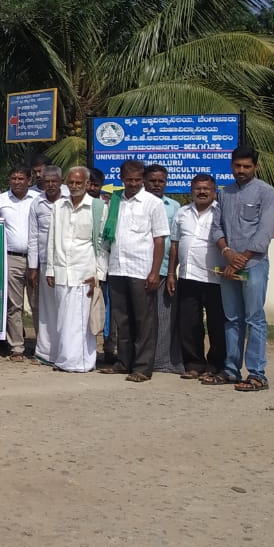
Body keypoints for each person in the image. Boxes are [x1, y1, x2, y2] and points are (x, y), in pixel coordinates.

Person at [203, 147, 274, 392]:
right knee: (232, 318)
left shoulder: (266, 192)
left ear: (255, 167)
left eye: (247, 166)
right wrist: (227, 252)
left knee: (254, 318)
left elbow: (265, 231)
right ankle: (231, 370)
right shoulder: (224, 193)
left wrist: (243, 258)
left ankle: (257, 374)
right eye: (238, 166)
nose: (241, 170)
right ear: (231, 165)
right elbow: (216, 228)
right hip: (228, 265)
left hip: (254, 265)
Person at [99, 159, 169, 383]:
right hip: (117, 268)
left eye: (137, 180)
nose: (133, 183)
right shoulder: (115, 201)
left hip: (142, 269)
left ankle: (142, 367)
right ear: (121, 179)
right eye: (129, 179)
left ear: (143, 179)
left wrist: (155, 272)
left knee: (144, 321)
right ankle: (123, 362)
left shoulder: (152, 203)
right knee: (122, 319)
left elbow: (159, 240)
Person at [43, 167, 106, 372]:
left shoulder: (97, 207)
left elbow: (102, 244)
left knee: (81, 319)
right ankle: (65, 359)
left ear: (87, 184)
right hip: (62, 270)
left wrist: (99, 274)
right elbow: (52, 239)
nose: (74, 186)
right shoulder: (59, 206)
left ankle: (81, 363)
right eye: (71, 182)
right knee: (63, 319)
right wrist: (50, 269)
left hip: (84, 271)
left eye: (79, 183)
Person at [168, 174, 226, 380]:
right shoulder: (182, 213)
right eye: (198, 188)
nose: (202, 192)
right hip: (188, 277)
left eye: (206, 189)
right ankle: (194, 364)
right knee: (189, 324)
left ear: (214, 191)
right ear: (191, 190)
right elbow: (174, 244)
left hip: (215, 279)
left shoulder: (221, 212)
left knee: (217, 325)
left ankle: (216, 365)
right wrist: (171, 273)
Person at [0, 166, 38, 361]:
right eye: (14, 178)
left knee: (38, 304)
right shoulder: (0, 200)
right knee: (14, 305)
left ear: (29, 180)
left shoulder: (38, 199)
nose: (17, 182)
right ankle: (17, 348)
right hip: (11, 257)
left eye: (21, 178)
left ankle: (42, 347)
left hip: (36, 259)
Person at [144, 164, 183, 374]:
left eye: (161, 181)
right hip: (140, 268)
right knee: (142, 318)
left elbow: (175, 241)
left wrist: (171, 273)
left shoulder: (174, 207)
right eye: (152, 181)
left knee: (165, 316)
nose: (157, 185)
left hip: (165, 268)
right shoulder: (135, 204)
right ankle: (140, 359)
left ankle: (162, 361)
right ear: (144, 181)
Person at [28, 166, 65, 364]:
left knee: (65, 307)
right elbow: (33, 236)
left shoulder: (69, 200)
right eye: (47, 181)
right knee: (46, 309)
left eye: (54, 181)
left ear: (61, 182)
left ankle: (65, 350)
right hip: (44, 262)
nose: (50, 185)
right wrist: (32, 267)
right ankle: (45, 352)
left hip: (66, 263)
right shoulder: (37, 202)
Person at [86, 166, 114, 363]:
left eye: (96, 185)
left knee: (105, 308)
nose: (91, 188)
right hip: (83, 266)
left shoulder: (108, 207)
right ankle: (86, 350)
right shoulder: (76, 205)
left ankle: (109, 348)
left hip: (104, 265)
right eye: (89, 184)